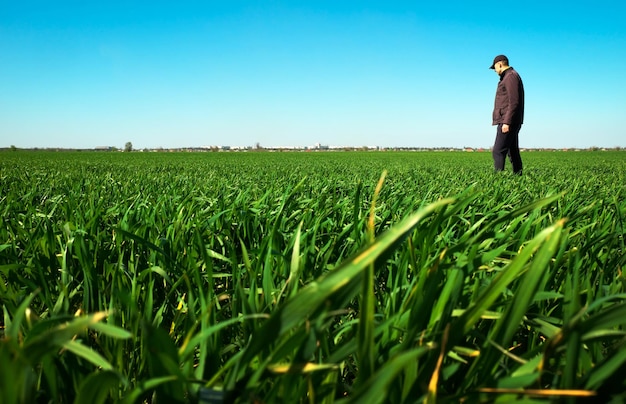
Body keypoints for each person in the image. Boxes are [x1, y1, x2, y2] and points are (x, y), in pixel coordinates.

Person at [490, 54, 524, 175]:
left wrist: (506, 121)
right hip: (511, 120)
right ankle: (518, 176)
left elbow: (514, 101)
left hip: (508, 121)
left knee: (498, 151)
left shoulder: (510, 77)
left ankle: (497, 180)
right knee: (512, 150)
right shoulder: (510, 76)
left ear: (499, 64)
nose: (495, 71)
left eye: (495, 68)